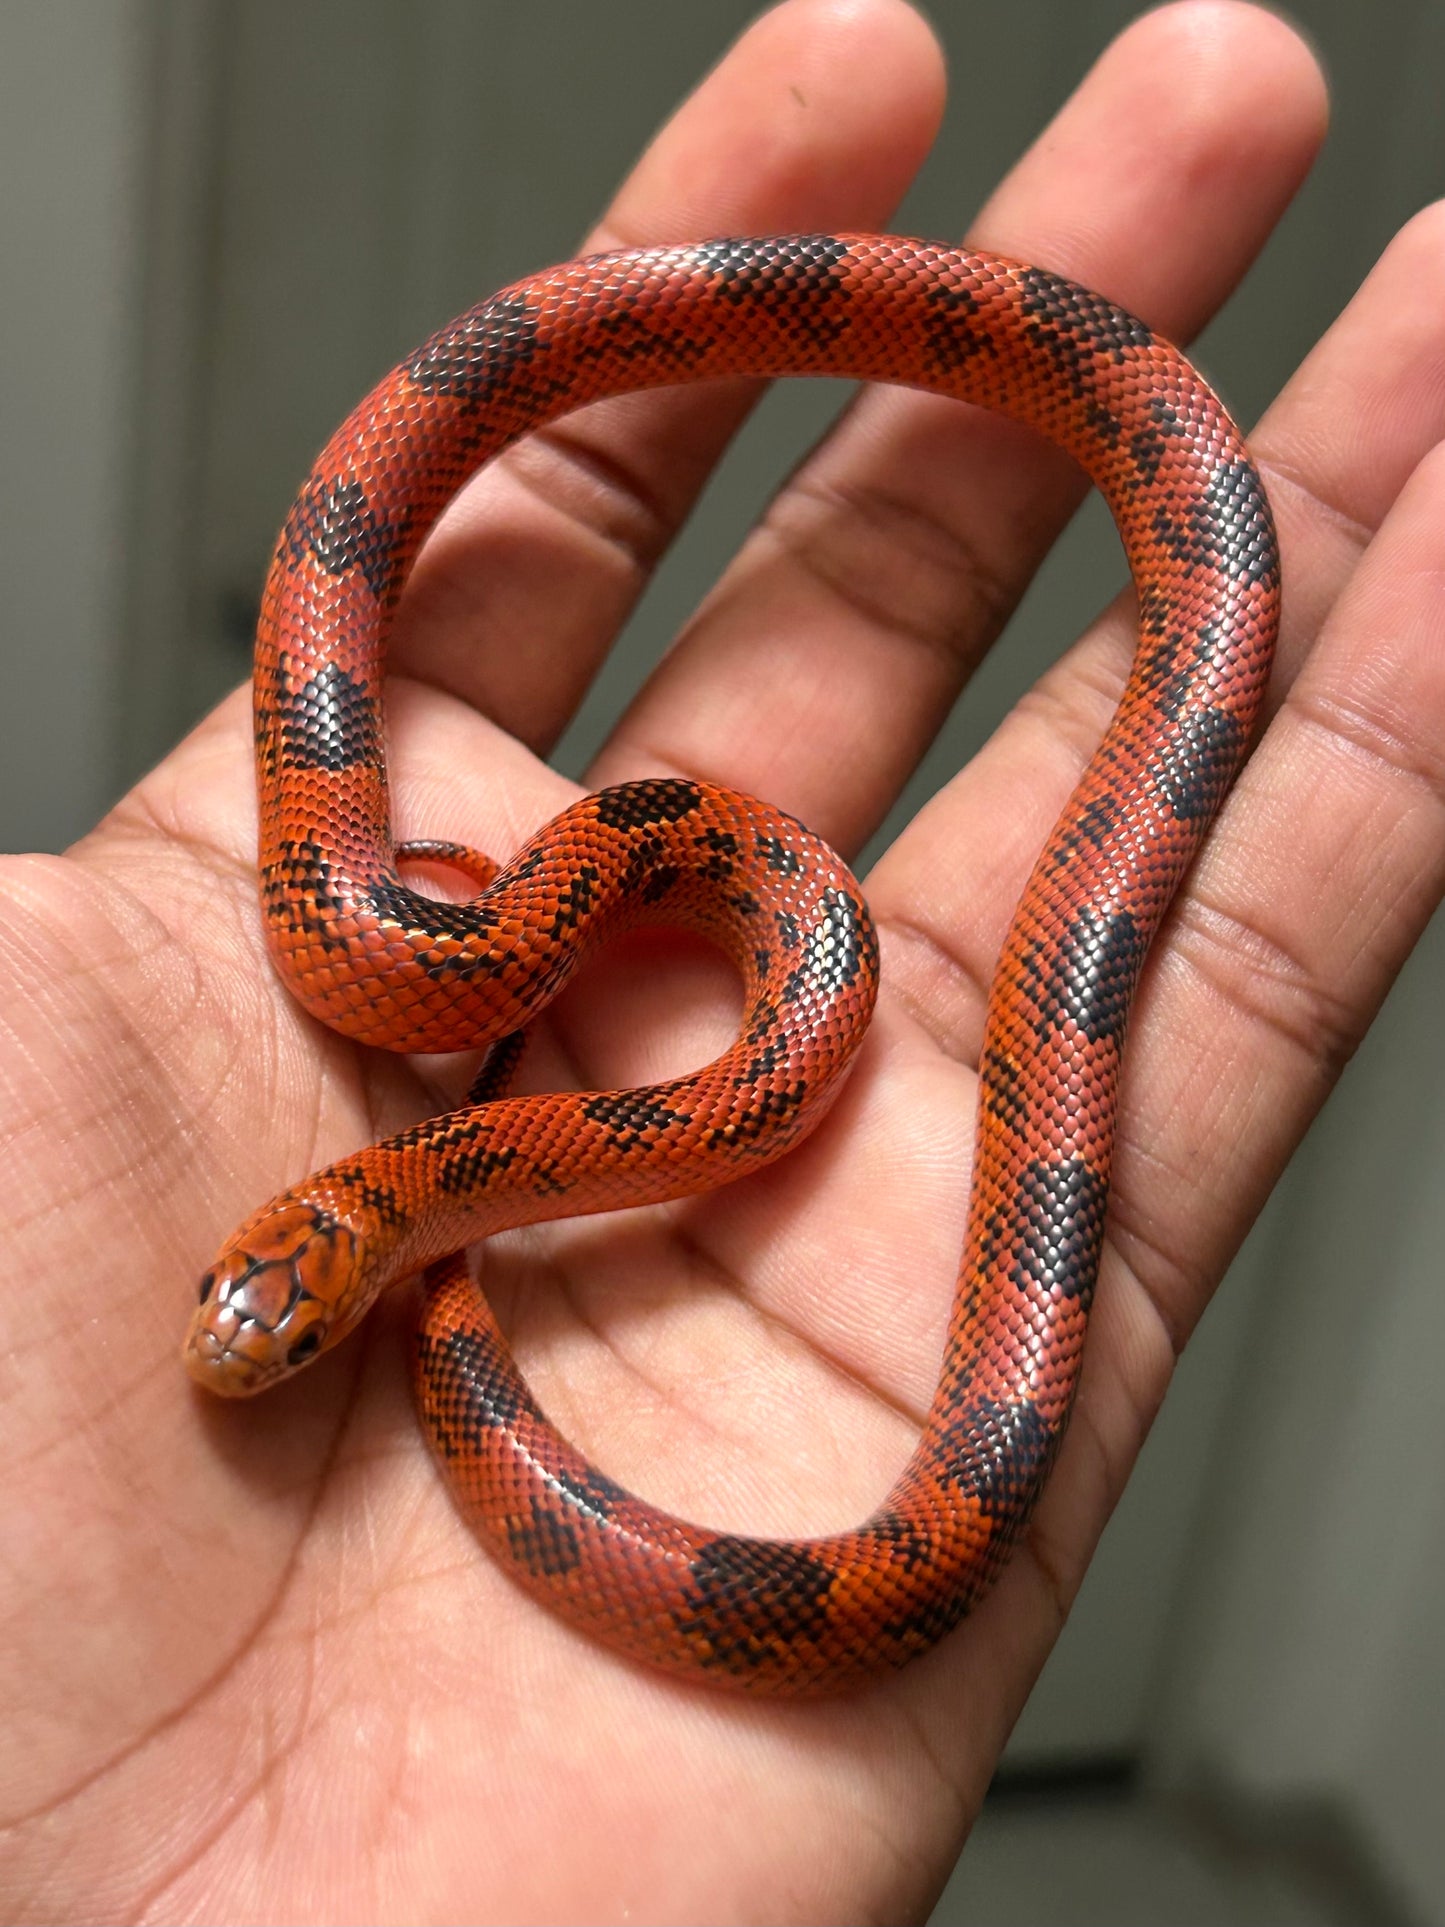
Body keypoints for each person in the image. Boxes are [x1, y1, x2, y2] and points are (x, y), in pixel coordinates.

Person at [3, 0, 1442, 1918]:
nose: (245, 1338)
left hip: (573, 1036)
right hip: (532, 1070)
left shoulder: (549, 1045)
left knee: (1078, 943)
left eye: (270, 1301)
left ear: (337, 1245)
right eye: (289, 1317)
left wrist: (450, 1205)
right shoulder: (471, 1081)